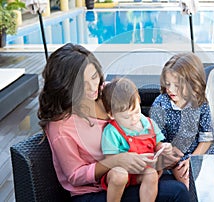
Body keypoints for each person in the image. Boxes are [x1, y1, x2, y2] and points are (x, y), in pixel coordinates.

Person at [37, 43, 189, 202]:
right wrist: (115, 161)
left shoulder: (109, 92)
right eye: (82, 84)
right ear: (65, 87)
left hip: (133, 175)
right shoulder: (61, 127)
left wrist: (160, 148)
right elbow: (75, 176)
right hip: (95, 192)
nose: (93, 88)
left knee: (182, 181)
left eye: (94, 77)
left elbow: (138, 123)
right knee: (177, 192)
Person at [150, 52, 214, 189]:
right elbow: (157, 139)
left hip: (205, 147)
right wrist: (170, 153)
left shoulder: (200, 102)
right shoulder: (160, 104)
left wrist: (194, 159)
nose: (170, 90)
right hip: (179, 156)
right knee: (190, 185)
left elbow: (207, 137)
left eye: (177, 86)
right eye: (168, 84)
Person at [100, 78, 173, 202]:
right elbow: (109, 160)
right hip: (120, 171)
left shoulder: (148, 124)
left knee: (151, 175)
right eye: (126, 117)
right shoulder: (112, 131)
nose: (134, 119)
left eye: (136, 111)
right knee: (119, 175)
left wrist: (163, 148)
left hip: (141, 172)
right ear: (111, 115)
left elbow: (158, 144)